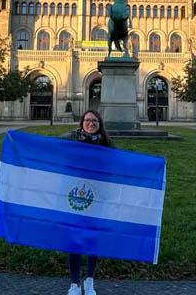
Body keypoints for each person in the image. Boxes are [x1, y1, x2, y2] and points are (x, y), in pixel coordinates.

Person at [65, 110, 114, 295]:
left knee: (93, 239)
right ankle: (74, 283)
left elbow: (121, 163)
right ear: (82, 123)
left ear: (99, 123)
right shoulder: (73, 141)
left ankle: (90, 280)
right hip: (75, 196)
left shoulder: (107, 143)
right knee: (74, 240)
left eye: (94, 121)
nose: (91, 123)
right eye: (87, 120)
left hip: (98, 196)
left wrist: (153, 166)